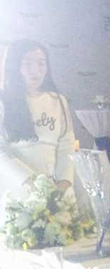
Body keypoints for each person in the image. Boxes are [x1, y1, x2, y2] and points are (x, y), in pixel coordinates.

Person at [0, 39, 76, 220]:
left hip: (57, 188)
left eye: (41, 64)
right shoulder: (4, 101)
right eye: (27, 64)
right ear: (15, 66)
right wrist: (33, 183)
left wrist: (63, 183)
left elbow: (67, 143)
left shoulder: (57, 100)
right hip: (19, 187)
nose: (35, 71)